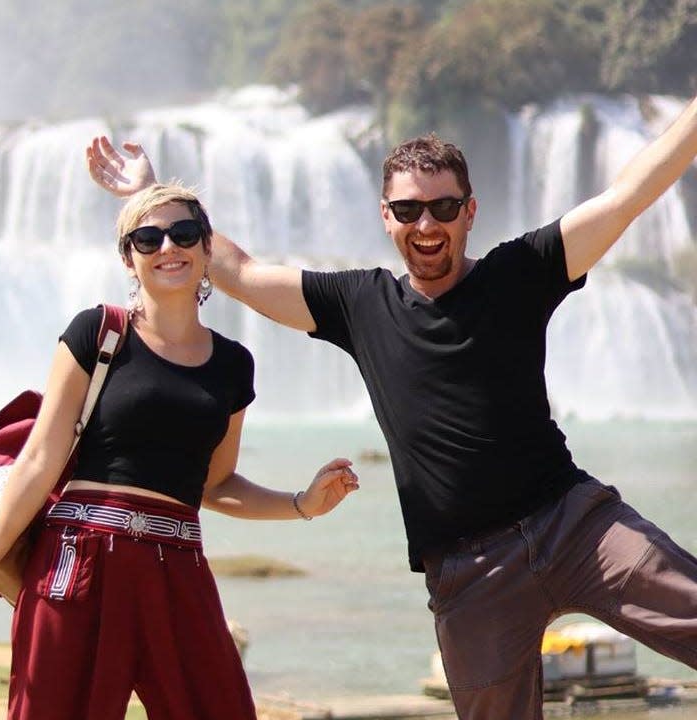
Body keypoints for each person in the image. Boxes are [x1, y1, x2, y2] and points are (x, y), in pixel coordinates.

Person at [86, 93, 697, 720]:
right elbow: (239, 270)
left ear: (469, 212)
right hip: (469, 568)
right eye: (408, 209)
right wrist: (153, 195)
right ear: (386, 216)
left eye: (443, 208)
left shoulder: (522, 271)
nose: (426, 224)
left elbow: (629, 194)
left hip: (574, 525)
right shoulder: (361, 304)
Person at [0, 183, 360, 720]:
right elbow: (39, 461)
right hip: (79, 561)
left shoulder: (234, 365)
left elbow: (215, 484)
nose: (169, 247)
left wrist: (302, 503)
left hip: (178, 567)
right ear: (129, 258)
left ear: (208, 250)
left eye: (184, 233)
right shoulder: (98, 333)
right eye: (148, 237)